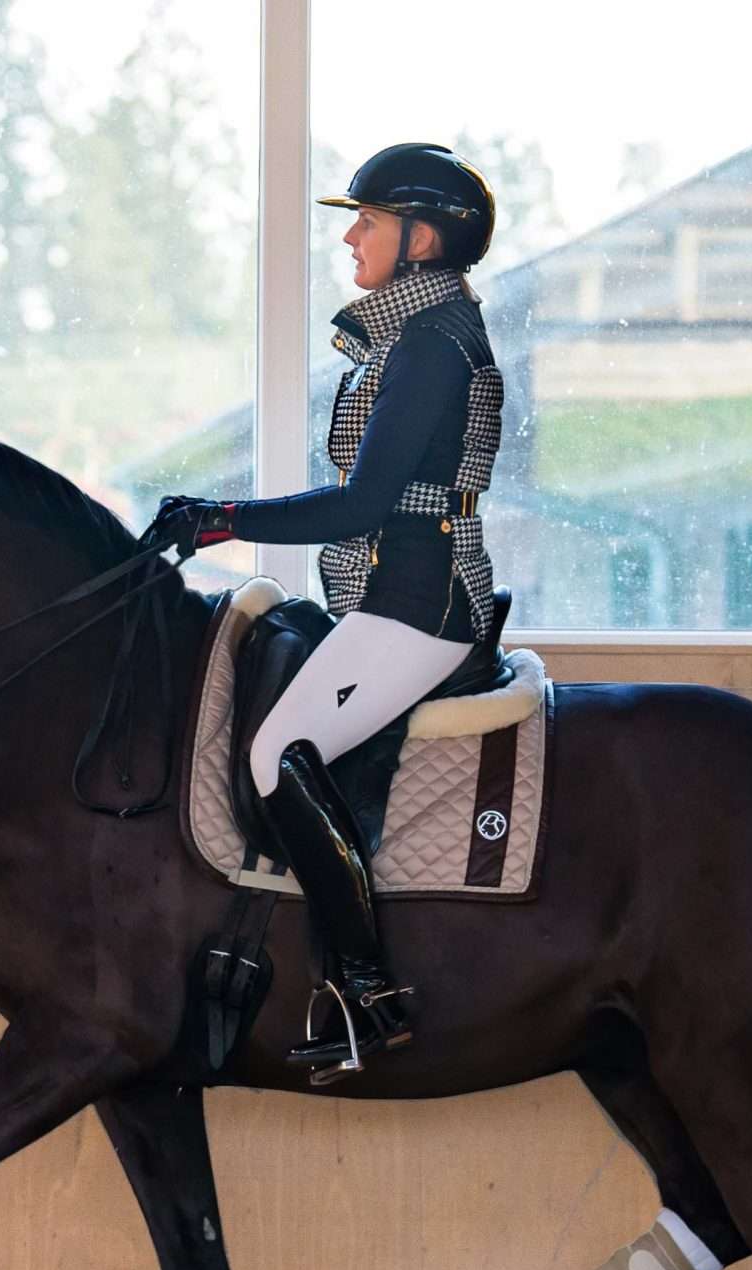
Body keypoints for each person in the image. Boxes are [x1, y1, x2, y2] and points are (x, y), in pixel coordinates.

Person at [147, 141, 503, 1079]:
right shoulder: (415, 332)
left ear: (422, 239)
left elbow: (357, 506)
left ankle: (363, 988)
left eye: (371, 222)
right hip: (393, 588)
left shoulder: (430, 347)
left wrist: (221, 519)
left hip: (424, 603)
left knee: (276, 754)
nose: (351, 236)